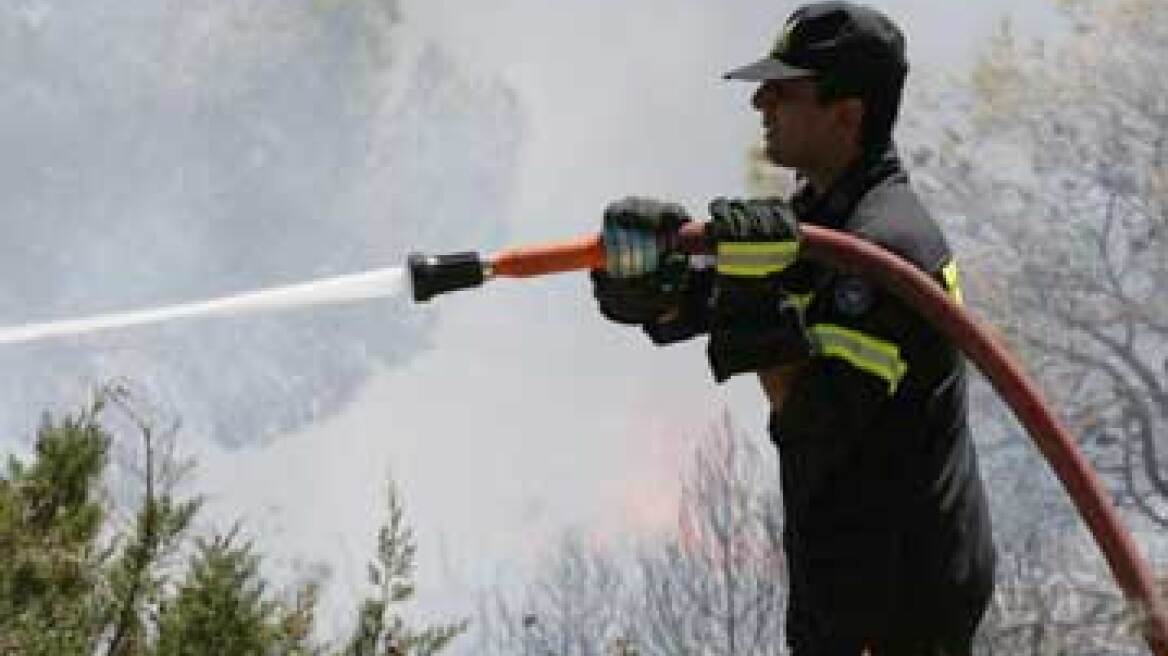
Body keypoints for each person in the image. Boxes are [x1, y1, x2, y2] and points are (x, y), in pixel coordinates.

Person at [590, 2, 996, 653]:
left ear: (847, 115)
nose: (760, 103)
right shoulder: (823, 219)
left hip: (899, 606)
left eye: (785, 89)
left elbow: (811, 414)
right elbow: (703, 304)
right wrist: (651, 284)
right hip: (844, 586)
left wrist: (753, 298)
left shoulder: (889, 246)